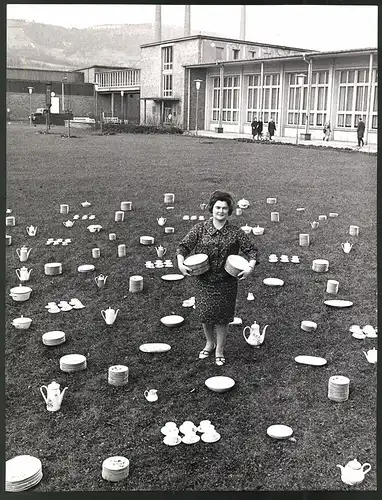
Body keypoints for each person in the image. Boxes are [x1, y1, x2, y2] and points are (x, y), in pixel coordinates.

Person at [176, 190, 258, 366]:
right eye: (217, 207)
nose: (220, 211)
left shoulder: (235, 232)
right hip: (204, 281)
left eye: (224, 208)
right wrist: (181, 264)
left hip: (226, 282)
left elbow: (252, 251)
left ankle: (219, 349)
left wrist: (250, 267)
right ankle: (209, 343)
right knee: (205, 315)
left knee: (222, 317)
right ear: (211, 208)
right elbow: (183, 247)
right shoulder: (199, 228)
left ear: (229, 211)